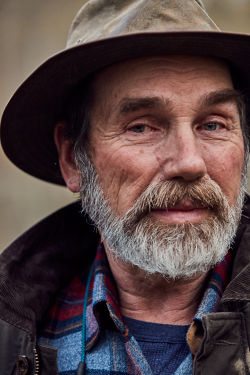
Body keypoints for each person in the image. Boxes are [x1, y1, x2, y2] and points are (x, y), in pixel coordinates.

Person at [0, 0, 249, 374]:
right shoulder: (16, 339)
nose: (189, 162)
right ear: (73, 158)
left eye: (213, 124)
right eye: (142, 127)